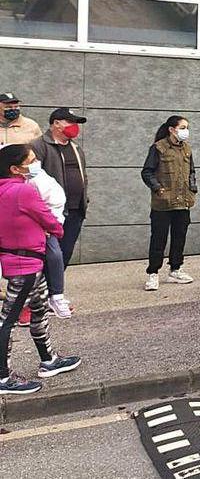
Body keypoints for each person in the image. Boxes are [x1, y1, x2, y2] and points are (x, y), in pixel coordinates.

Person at [0, 144, 79, 395]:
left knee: (39, 310)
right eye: (30, 160)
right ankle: (3, 377)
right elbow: (51, 221)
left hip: (24, 261)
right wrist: (54, 229)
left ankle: (49, 360)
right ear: (14, 168)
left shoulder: (4, 190)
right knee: (7, 320)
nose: (35, 164)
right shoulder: (23, 191)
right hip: (25, 265)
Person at [140, 116, 198, 291]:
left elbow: (191, 171)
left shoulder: (186, 148)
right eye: (182, 127)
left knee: (179, 237)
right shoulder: (159, 148)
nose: (185, 131)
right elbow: (147, 172)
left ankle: (176, 269)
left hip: (183, 201)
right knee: (159, 238)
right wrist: (158, 189)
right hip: (163, 203)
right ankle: (153, 273)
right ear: (172, 129)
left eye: (187, 127)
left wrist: (193, 189)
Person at [30, 108, 88, 270]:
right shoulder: (38, 146)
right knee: (49, 254)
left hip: (75, 210)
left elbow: (83, 175)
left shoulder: (76, 148)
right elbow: (31, 179)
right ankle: (42, 290)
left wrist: (85, 200)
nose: (75, 126)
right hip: (50, 212)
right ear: (56, 124)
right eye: (70, 122)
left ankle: (55, 290)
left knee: (65, 252)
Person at [26, 156, 72, 318]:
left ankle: (53, 297)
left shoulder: (39, 178)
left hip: (41, 227)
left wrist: (51, 226)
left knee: (53, 255)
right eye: (29, 160)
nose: (34, 163)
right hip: (17, 229)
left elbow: (55, 201)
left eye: (34, 159)